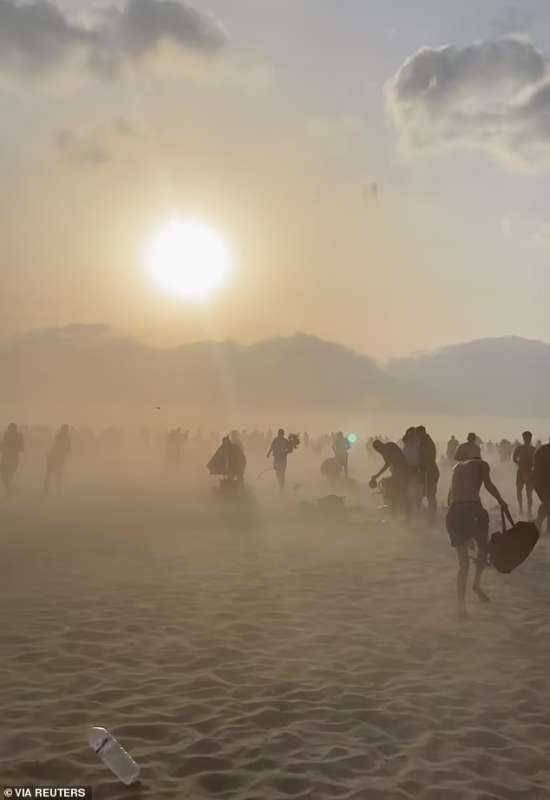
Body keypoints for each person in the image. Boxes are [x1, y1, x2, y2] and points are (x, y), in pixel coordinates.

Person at [446, 456, 512, 619]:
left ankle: (461, 606)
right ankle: (476, 584)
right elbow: (488, 485)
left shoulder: (456, 468)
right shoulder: (482, 464)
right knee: (483, 547)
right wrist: (502, 501)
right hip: (473, 511)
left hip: (453, 513)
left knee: (463, 563)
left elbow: (450, 499)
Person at [370, 439, 413, 519]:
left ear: (380, 446)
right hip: (398, 472)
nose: (379, 451)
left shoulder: (389, 447)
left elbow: (388, 464)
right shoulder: (387, 448)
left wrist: (377, 475)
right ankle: (396, 514)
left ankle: (406, 515)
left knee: (402, 493)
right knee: (391, 491)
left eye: (378, 449)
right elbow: (389, 463)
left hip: (403, 472)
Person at [417, 425, 439, 525]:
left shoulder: (427, 443)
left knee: (430, 496)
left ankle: (432, 519)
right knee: (425, 495)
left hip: (429, 472)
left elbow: (427, 459)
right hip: (428, 471)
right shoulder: (425, 442)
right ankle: (430, 518)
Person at [513, 431, 536, 518]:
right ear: (523, 438)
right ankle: (521, 509)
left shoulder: (533, 449)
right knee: (519, 491)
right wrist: (519, 464)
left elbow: (537, 461)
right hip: (522, 471)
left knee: (529, 493)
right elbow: (514, 458)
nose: (527, 439)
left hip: (529, 472)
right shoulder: (519, 448)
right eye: (525, 437)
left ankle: (529, 511)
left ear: (530, 438)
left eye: (528, 438)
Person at [44, 424, 71, 493]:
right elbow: (66, 449)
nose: (65, 431)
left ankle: (52, 488)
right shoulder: (64, 438)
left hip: (57, 457)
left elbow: (66, 449)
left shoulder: (62, 437)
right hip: (56, 457)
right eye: (65, 429)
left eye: (66, 429)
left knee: (54, 473)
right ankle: (53, 488)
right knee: (55, 473)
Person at [0, 423, 24, 496]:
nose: (10, 430)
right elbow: (2, 445)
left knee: (8, 475)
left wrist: (12, 448)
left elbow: (21, 448)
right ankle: (9, 489)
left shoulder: (19, 436)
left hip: (13, 458)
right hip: (6, 457)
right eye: (9, 429)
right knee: (3, 475)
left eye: (11, 429)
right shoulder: (6, 435)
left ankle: (9, 490)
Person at [533, 442, 550, 533]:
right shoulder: (542, 451)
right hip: (544, 485)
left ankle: (547, 531)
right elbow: (536, 471)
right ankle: (536, 528)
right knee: (547, 505)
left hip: (543, 484)